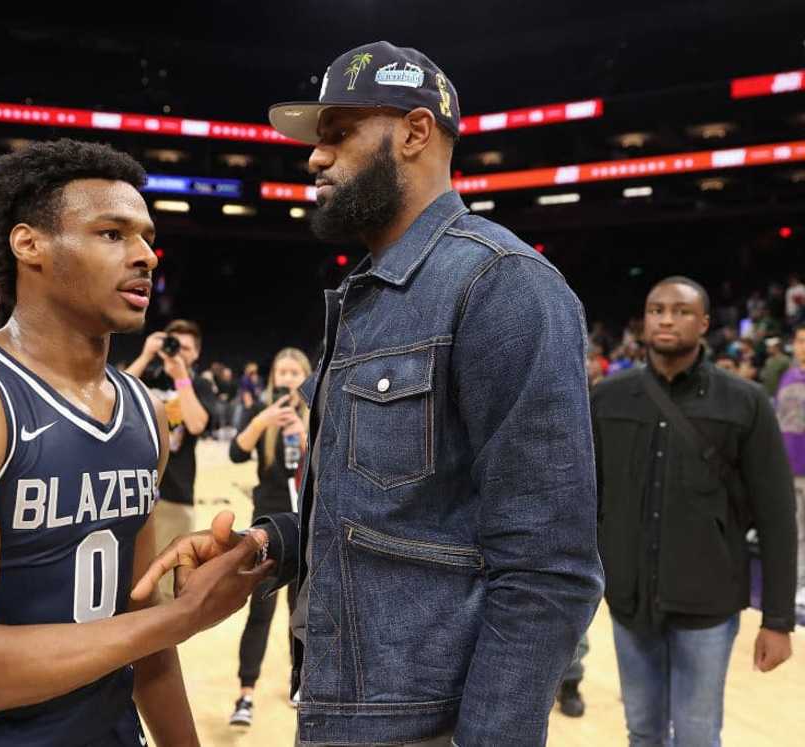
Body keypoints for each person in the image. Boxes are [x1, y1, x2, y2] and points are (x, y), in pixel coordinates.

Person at [136, 41, 603, 746]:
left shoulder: (503, 284)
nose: (316, 158)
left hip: (426, 727)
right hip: (340, 707)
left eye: (338, 133)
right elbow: (395, 514)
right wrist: (272, 542)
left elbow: (549, 569)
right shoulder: (368, 295)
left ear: (416, 132)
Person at [0, 140, 270, 746]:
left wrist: (167, 632)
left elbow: (143, 632)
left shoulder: (141, 409)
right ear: (29, 244)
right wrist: (181, 617)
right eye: (112, 234)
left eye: (145, 237)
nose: (144, 256)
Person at [592, 276, 796, 746]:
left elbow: (777, 518)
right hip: (630, 603)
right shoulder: (607, 399)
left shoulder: (745, 403)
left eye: (681, 311)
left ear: (704, 323)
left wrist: (778, 621)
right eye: (656, 309)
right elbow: (591, 500)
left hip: (709, 605)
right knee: (641, 731)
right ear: (643, 321)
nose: (666, 318)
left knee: (697, 735)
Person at [227, 348, 312, 729]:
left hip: (306, 525)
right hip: (267, 527)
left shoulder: (317, 414)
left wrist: (307, 437)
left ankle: (302, 684)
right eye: (283, 371)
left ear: (307, 376)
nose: (289, 378)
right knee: (260, 611)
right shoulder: (263, 416)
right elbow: (235, 452)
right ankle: (245, 693)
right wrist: (263, 421)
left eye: (296, 372)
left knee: (302, 611)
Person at [126, 320, 219, 598]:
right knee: (129, 581)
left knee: (166, 588)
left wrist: (181, 376)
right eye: (173, 345)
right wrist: (145, 355)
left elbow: (196, 424)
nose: (179, 353)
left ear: (197, 354)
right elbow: (112, 397)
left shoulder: (200, 384)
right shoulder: (149, 377)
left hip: (175, 495)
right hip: (135, 491)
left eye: (186, 349)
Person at [774, 323, 805, 616]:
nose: (802, 346)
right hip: (789, 465)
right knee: (795, 530)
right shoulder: (787, 377)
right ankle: (798, 584)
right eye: (799, 340)